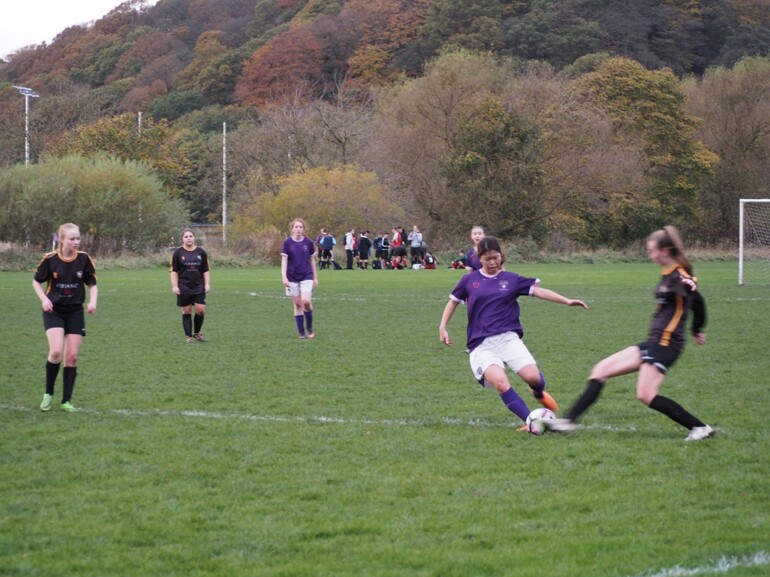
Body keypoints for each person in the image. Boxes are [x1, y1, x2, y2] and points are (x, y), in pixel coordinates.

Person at [544, 226, 714, 441]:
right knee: (600, 370)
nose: (650, 255)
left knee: (645, 394)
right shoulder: (668, 275)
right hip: (654, 342)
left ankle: (700, 428)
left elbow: (695, 296)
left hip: (667, 344)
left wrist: (695, 321)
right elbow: (697, 303)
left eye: (652, 251)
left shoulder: (679, 276)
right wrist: (697, 329)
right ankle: (568, 421)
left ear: (665, 251)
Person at [439, 236, 588, 428]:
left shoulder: (511, 280)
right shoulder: (469, 280)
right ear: (479, 259)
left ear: (501, 256)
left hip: (508, 339)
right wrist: (443, 326)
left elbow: (540, 292)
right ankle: (531, 422)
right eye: (487, 258)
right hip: (481, 344)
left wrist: (567, 301)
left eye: (496, 257)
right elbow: (453, 301)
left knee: (533, 377)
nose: (492, 262)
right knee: (500, 382)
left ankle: (538, 392)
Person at [32, 223, 98, 412]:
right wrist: (44, 299)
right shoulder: (50, 259)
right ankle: (48, 394)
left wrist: (92, 302)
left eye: (78, 238)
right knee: (55, 352)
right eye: (72, 238)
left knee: (71, 357)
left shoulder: (84, 259)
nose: (77, 242)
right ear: (62, 240)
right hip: (54, 310)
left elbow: (92, 284)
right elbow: (36, 282)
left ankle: (66, 401)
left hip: (75, 311)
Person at [170, 228, 211, 343]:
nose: (189, 238)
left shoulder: (201, 252)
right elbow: (173, 271)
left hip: (199, 286)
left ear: (194, 238)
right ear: (182, 239)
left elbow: (206, 270)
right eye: (186, 237)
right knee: (186, 311)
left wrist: (207, 284)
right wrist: (174, 286)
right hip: (184, 286)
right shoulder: (178, 253)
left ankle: (197, 333)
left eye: (190, 236)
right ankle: (188, 336)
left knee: (200, 310)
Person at [281, 218, 319, 339]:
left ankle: (309, 328)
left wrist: (315, 278)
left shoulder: (308, 242)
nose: (298, 229)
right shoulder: (287, 243)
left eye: (300, 227)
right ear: (292, 229)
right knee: (297, 305)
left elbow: (312, 260)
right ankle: (301, 332)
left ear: (304, 229)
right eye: (296, 227)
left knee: (306, 302)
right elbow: (284, 261)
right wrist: (284, 278)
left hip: (306, 276)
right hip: (292, 277)